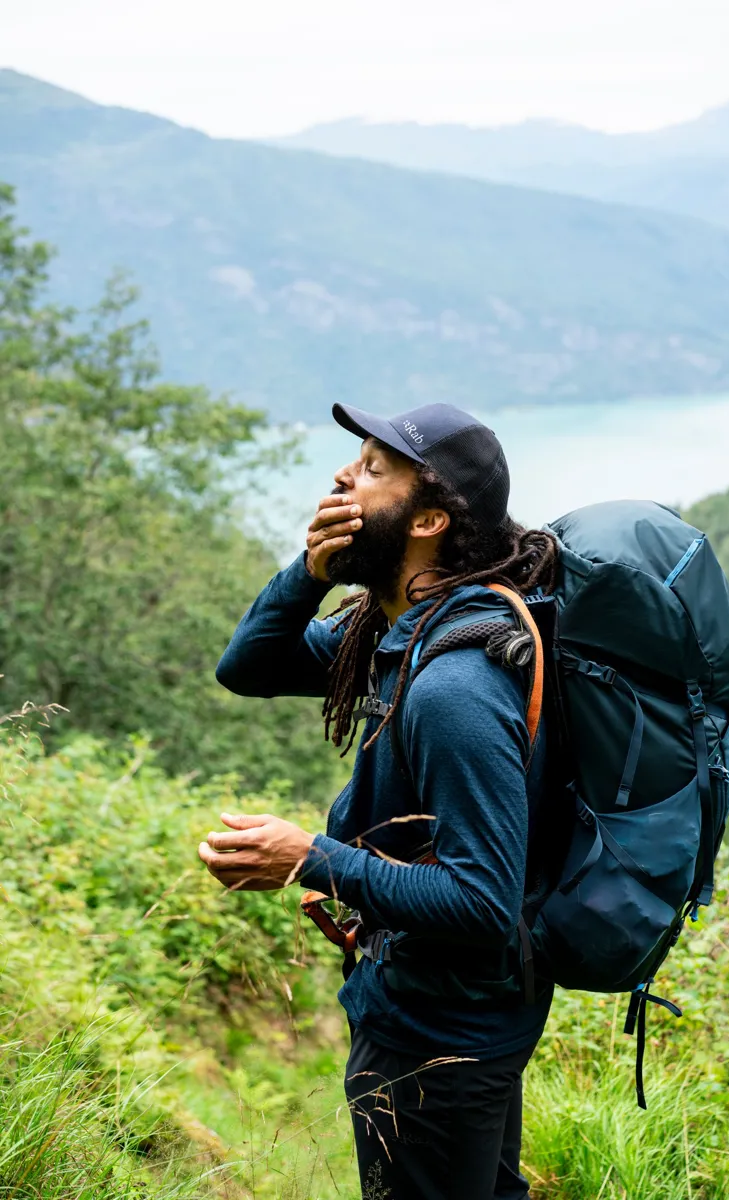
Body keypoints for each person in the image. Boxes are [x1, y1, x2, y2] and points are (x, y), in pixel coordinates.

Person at [199, 402, 559, 1200]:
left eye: (372, 469)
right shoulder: (398, 627)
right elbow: (247, 668)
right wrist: (308, 571)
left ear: (429, 518)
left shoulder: (455, 685)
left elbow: (482, 899)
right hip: (453, 1012)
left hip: (441, 1036)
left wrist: (310, 858)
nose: (341, 477)